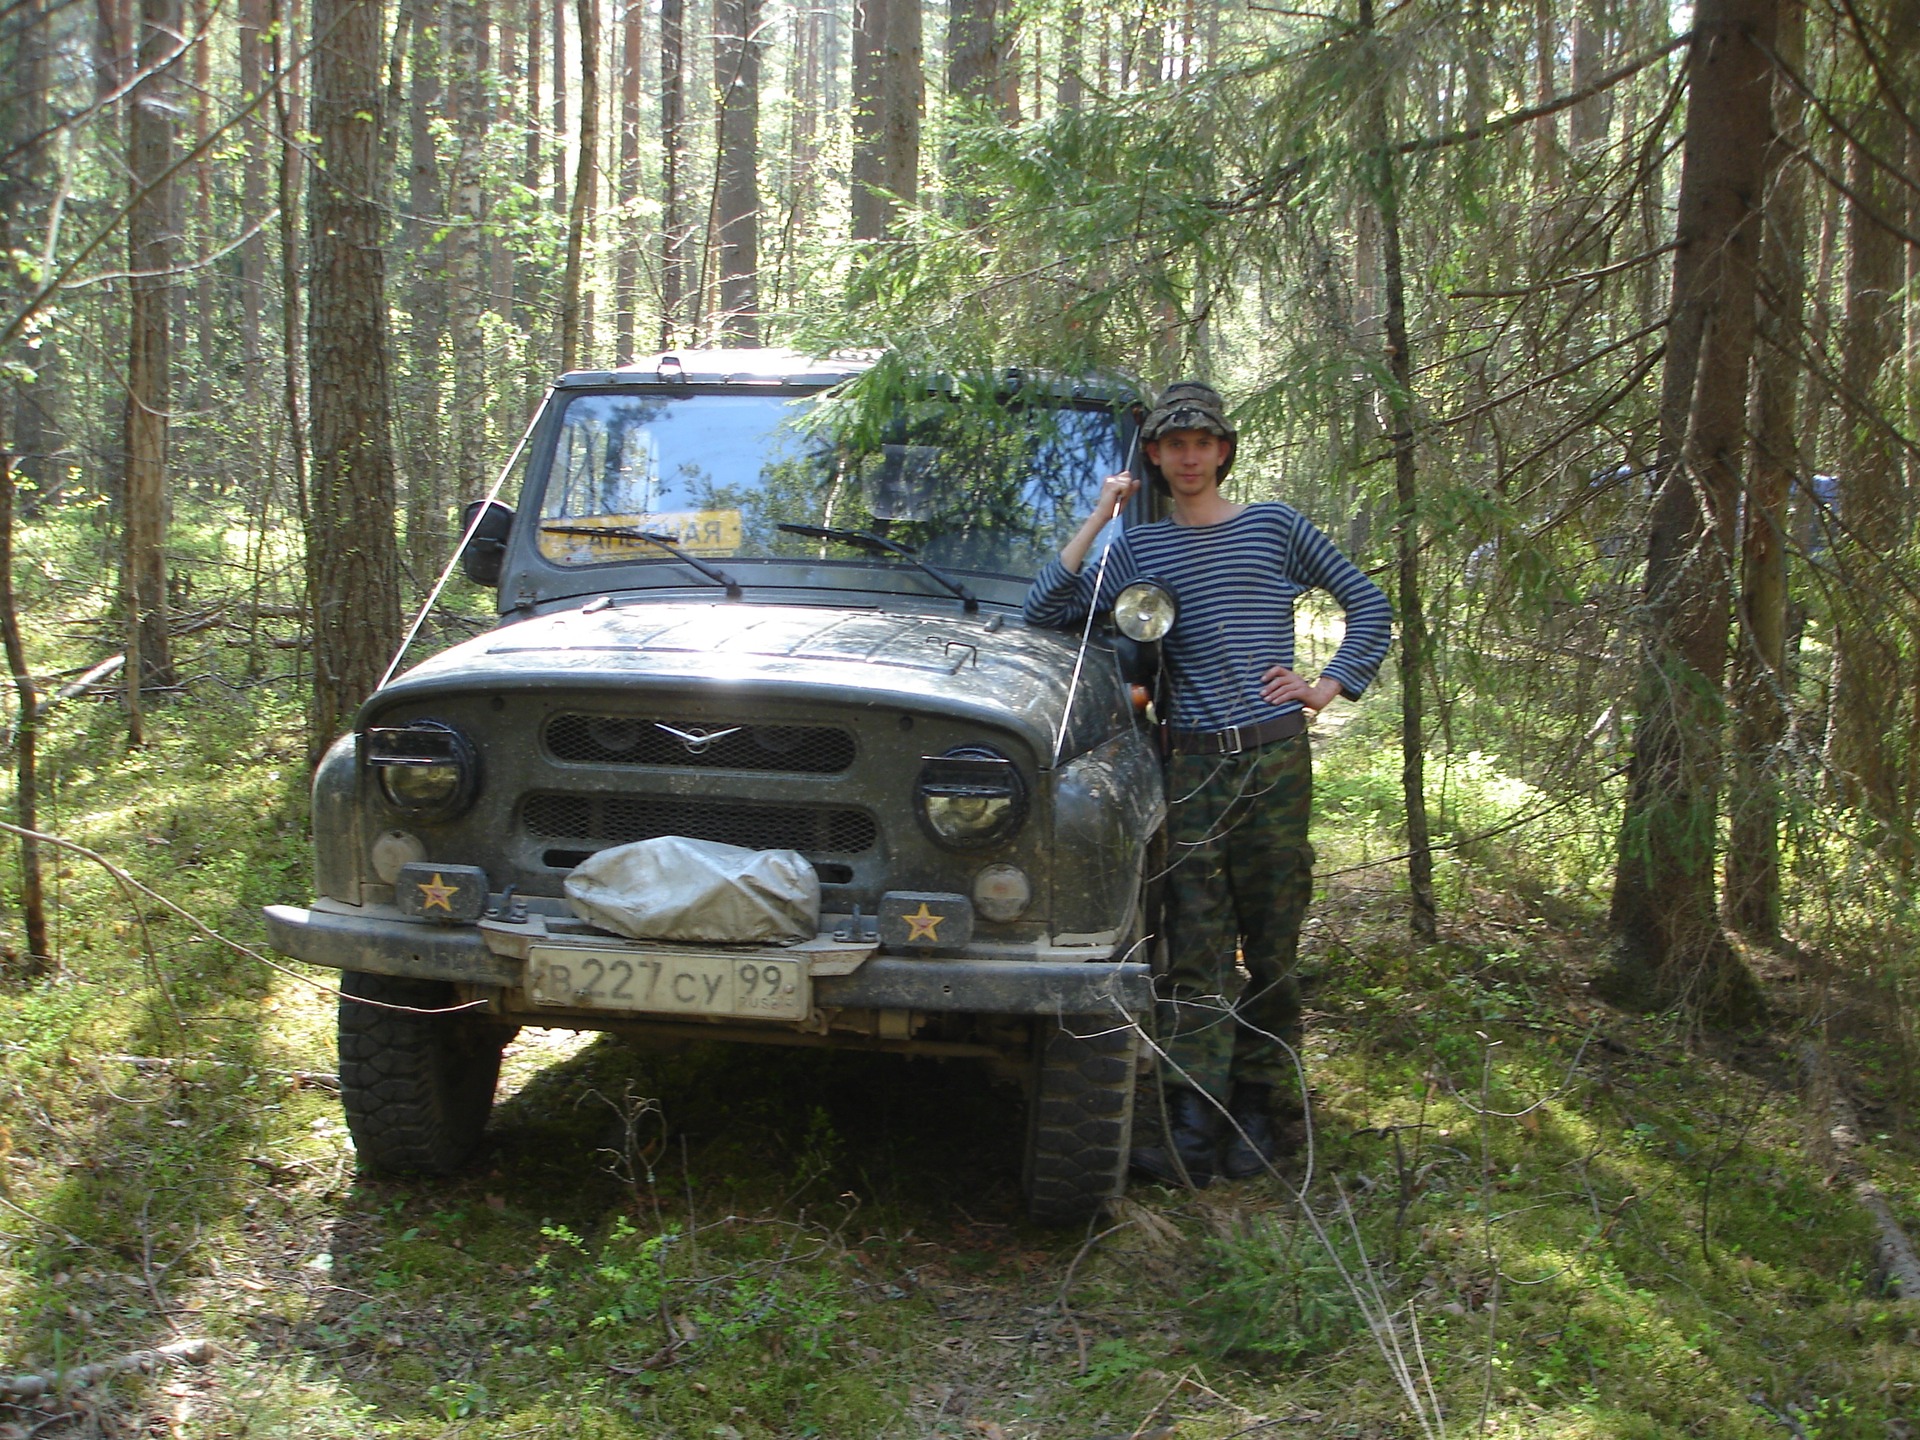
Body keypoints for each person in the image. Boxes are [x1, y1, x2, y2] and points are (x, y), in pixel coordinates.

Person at [1024, 381, 1391, 1185]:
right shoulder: (1139, 548)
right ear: (1153, 457)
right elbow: (1047, 610)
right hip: (1186, 761)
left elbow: (1368, 604)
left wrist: (1328, 686)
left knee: (1273, 941)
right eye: (1172, 445)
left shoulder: (1273, 526)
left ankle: (1259, 1109)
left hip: (1271, 761)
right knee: (1193, 941)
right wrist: (1099, 515)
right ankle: (1196, 1116)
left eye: (1202, 443)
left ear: (1223, 450)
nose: (1189, 457)